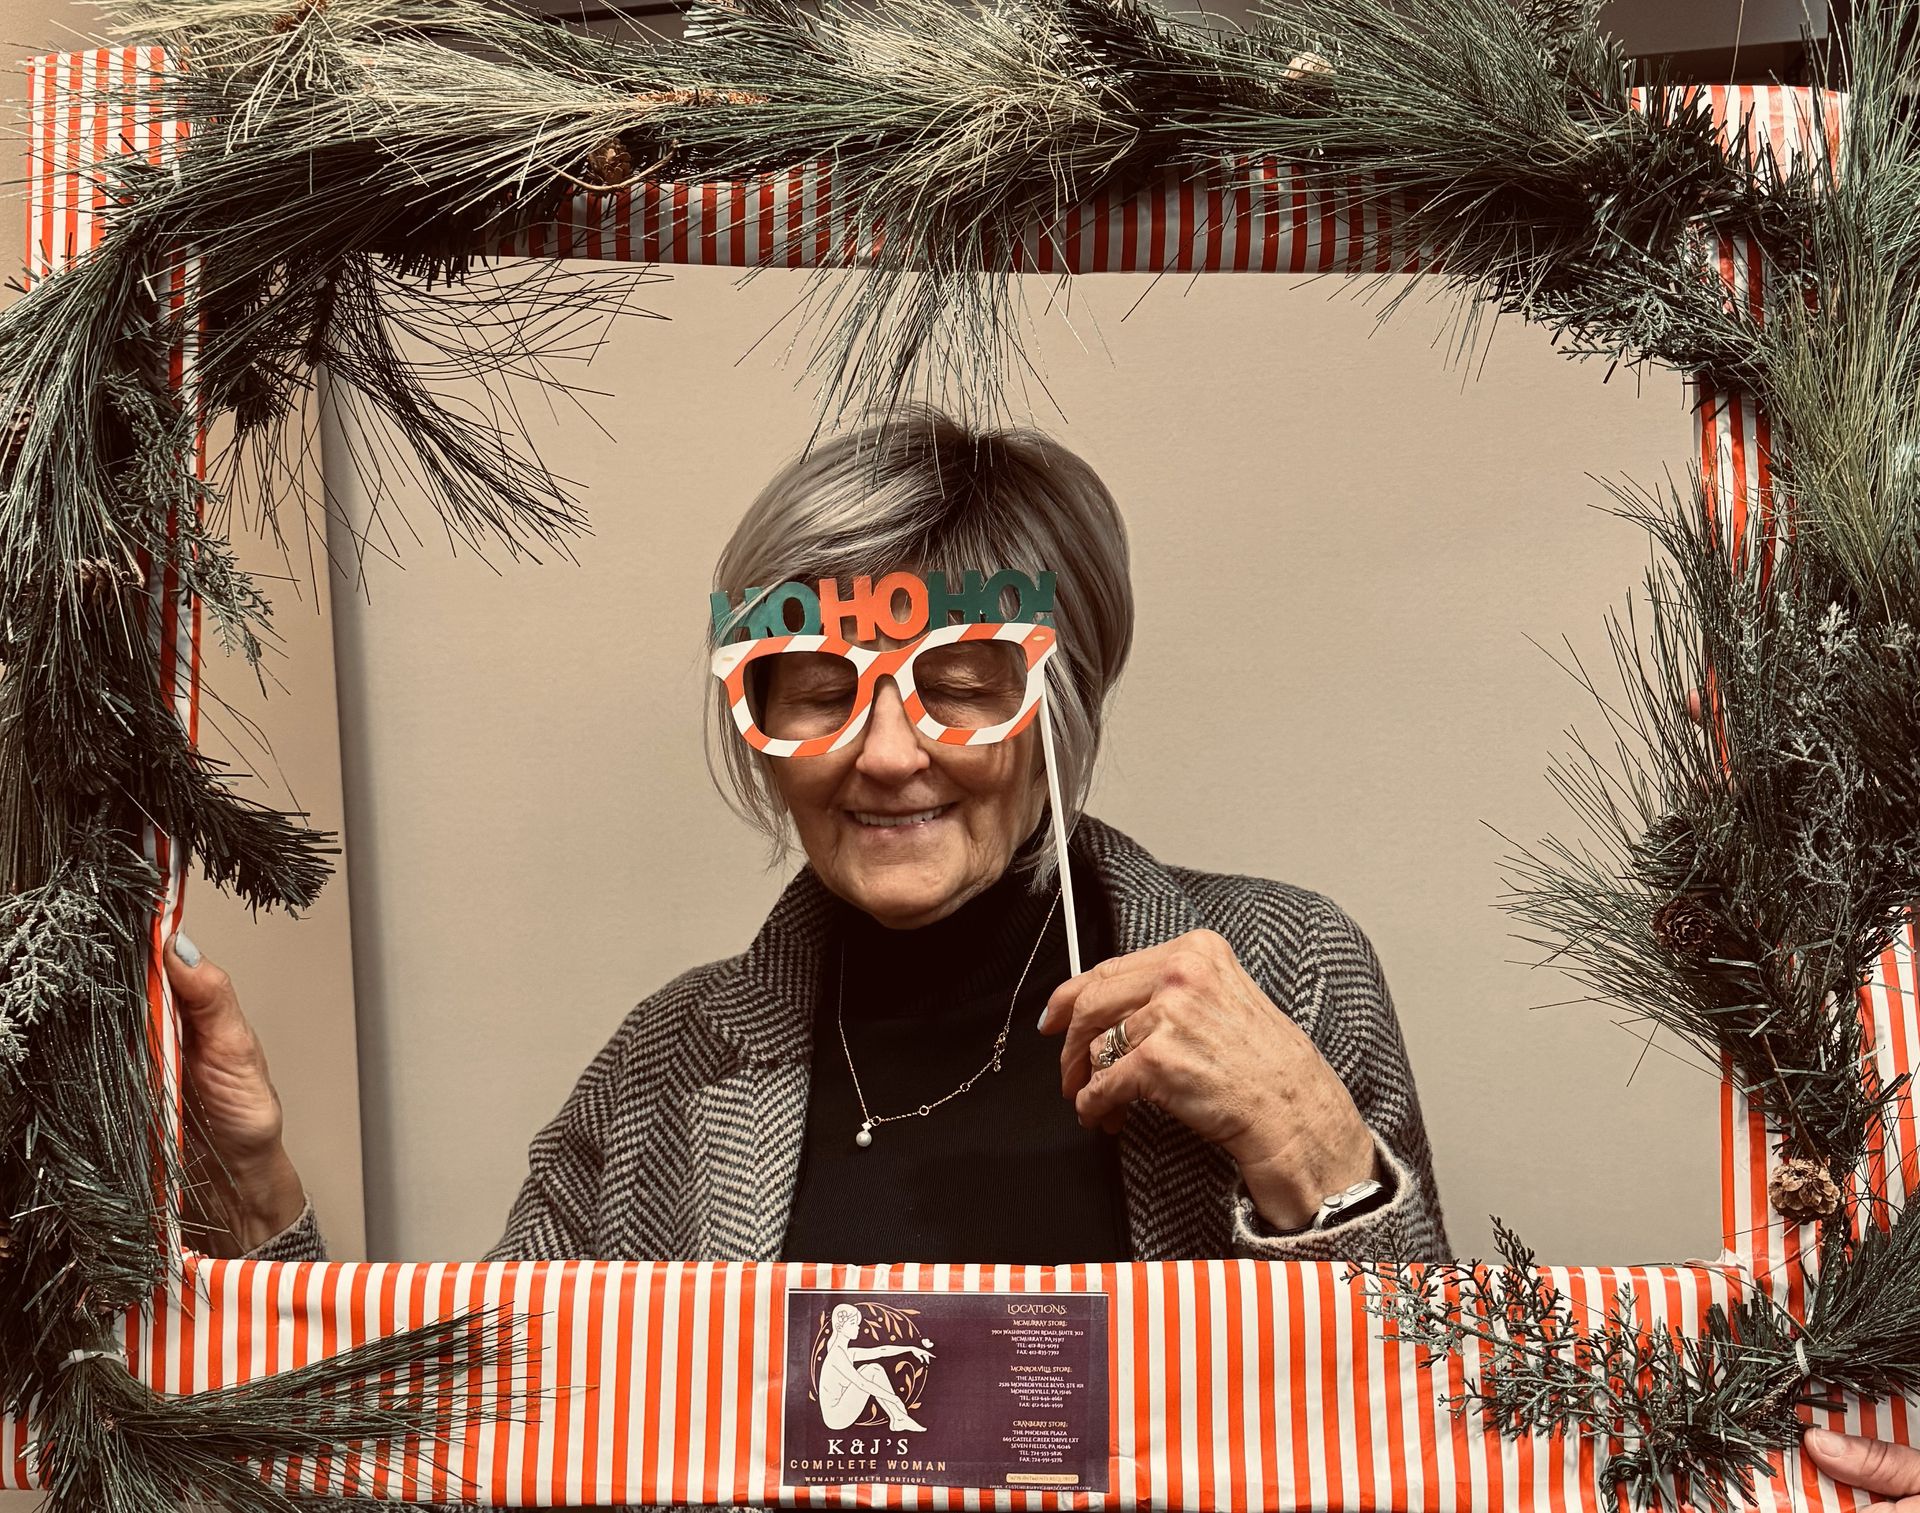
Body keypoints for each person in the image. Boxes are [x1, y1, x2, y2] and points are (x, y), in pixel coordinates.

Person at [164, 405, 1450, 1267]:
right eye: (821, 690)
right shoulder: (662, 1070)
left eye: (959, 684)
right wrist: (257, 1197)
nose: (884, 755)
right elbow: (480, 1464)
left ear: (1060, 704)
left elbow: (1445, 1439)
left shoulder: (1284, 969)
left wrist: (1317, 1156)